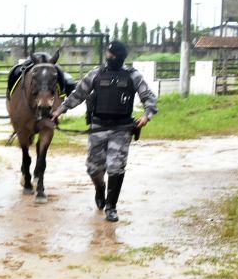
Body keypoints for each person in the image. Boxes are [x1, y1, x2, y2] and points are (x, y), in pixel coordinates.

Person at [51, 41, 158, 222]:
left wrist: (147, 116)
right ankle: (100, 189)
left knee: (116, 167)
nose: (108, 56)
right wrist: (59, 110)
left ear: (118, 56)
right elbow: (78, 94)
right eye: (107, 53)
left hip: (121, 129)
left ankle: (111, 206)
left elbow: (149, 97)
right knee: (93, 168)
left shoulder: (133, 75)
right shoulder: (96, 74)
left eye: (111, 54)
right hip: (98, 127)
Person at [6, 51, 77, 101]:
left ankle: (64, 94)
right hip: (34, 58)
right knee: (16, 71)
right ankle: (11, 94)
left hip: (44, 57)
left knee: (67, 78)